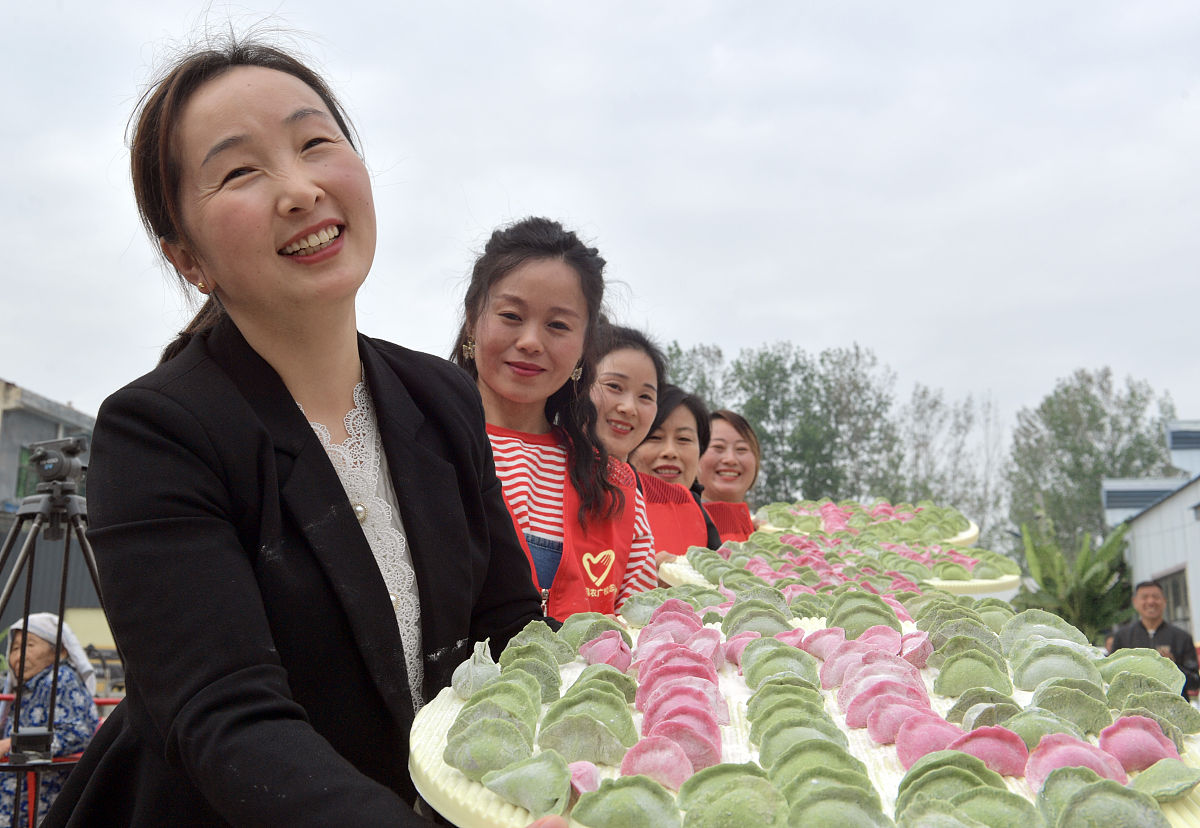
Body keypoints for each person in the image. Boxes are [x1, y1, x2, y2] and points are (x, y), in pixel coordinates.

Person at [44, 37, 546, 827]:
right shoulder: (158, 434)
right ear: (188, 259)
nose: (300, 188)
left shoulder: (442, 397)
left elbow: (511, 633)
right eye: (242, 171)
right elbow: (226, 718)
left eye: (316, 143)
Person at [452, 218, 657, 621]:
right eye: (511, 315)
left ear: (584, 345)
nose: (530, 341)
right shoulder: (425, 451)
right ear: (474, 318)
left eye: (558, 325)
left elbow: (638, 626)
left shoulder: (615, 484)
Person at [0, 614, 99, 826]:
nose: (19, 655)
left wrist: (10, 745)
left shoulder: (59, 679)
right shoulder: (28, 688)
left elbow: (76, 735)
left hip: (43, 802)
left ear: (60, 651)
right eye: (15, 648)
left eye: (29, 645)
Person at [630, 385, 721, 559]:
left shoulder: (702, 517)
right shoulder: (608, 506)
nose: (670, 452)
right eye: (655, 437)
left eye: (684, 439)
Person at [1110, 580, 1200, 697]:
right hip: (1133, 709)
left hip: (1172, 708)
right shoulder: (1122, 637)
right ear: (1135, 602)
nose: (1151, 601)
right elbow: (1111, 678)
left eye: (1156, 597)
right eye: (1145, 597)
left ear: (1164, 601)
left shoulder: (1182, 637)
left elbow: (1195, 682)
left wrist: (1173, 667)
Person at [697, 410, 762, 542]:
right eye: (718, 447)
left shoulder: (766, 533)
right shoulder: (682, 526)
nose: (730, 459)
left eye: (741, 449)